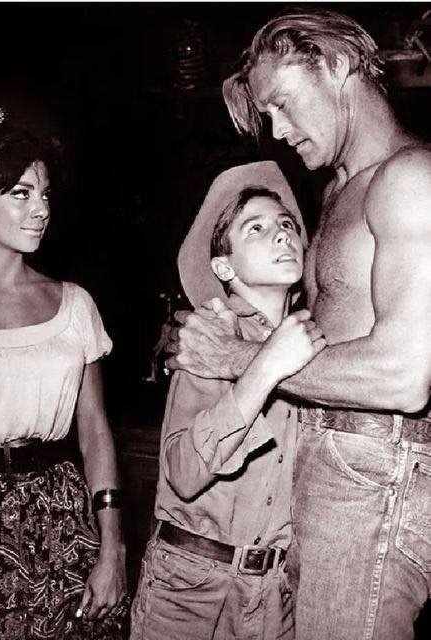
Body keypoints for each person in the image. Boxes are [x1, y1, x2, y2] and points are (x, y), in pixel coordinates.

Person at [166, 8, 431, 640]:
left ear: (336, 65)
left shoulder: (411, 178)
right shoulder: (342, 188)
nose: (279, 132)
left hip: (376, 475)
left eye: (282, 105)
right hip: (335, 470)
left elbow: (404, 376)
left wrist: (238, 359)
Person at [0, 105, 128, 640]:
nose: (41, 210)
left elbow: (96, 432)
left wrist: (113, 547)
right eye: (21, 193)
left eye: (45, 194)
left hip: (63, 519)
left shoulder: (74, 304)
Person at [130, 161, 326, 640]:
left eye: (287, 225)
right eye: (255, 228)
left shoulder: (318, 348)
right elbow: (183, 472)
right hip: (189, 585)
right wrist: (263, 366)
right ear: (224, 266)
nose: (281, 234)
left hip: (276, 591)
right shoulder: (211, 337)